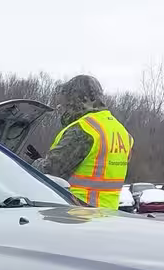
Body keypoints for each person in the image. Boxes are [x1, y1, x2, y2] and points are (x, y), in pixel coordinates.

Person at [35, 75, 133, 210]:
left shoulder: (84, 129)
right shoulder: (121, 132)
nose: (64, 107)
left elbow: (50, 172)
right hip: (109, 215)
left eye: (67, 101)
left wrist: (32, 164)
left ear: (82, 99)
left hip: (77, 215)